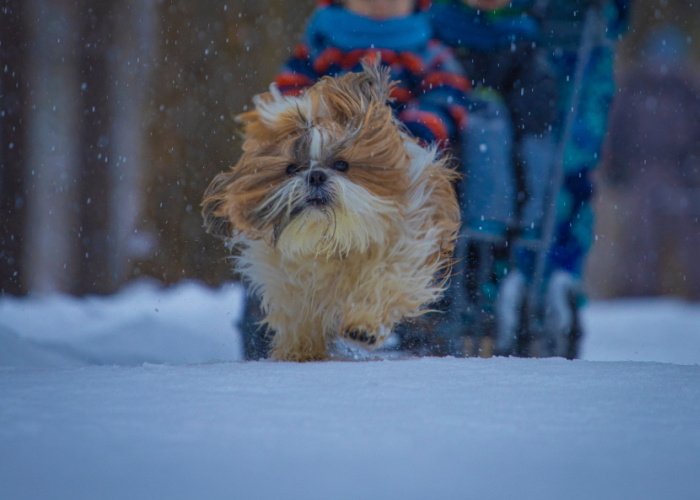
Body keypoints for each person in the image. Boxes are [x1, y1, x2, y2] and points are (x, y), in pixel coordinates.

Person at [239, 0, 473, 359]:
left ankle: (373, 308)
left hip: (397, 162)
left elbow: (449, 94)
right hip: (322, 149)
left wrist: (410, 132)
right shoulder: (319, 48)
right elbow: (287, 95)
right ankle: (302, 330)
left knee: (398, 252)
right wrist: (308, 122)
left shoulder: (429, 49)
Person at [428, 0, 559, 355]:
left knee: (509, 138)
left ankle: (488, 289)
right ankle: (457, 296)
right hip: (451, 168)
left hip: (505, 183)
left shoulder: (524, 41)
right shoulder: (435, 32)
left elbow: (539, 107)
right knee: (486, 132)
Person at [600, 26, 700, 300]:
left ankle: (687, 292)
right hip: (643, 170)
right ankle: (639, 295)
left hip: (678, 172)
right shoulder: (635, 88)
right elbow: (616, 130)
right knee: (642, 237)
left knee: (688, 235)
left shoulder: (686, 91)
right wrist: (615, 165)